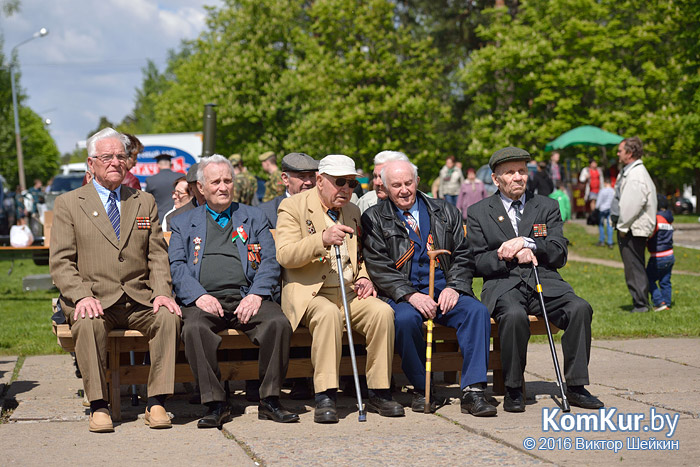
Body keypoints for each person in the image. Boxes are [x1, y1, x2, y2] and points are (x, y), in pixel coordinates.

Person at [49, 128, 181, 433]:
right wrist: (81, 296)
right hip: (94, 298)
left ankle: (157, 401)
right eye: (106, 157)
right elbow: (62, 262)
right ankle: (99, 405)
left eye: (121, 156)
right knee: (88, 323)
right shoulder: (69, 203)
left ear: (129, 162)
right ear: (91, 163)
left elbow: (157, 254)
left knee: (169, 317)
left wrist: (162, 292)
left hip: (138, 298)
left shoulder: (143, 201)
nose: (115, 162)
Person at [466, 147, 603, 413]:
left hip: (544, 279)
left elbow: (559, 251)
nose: (518, 177)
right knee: (515, 316)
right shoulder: (479, 211)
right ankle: (514, 388)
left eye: (521, 171)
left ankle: (576, 386)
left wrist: (531, 245)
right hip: (504, 284)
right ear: (496, 179)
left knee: (579, 308)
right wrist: (503, 254)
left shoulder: (547, 206)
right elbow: (474, 261)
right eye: (510, 173)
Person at [169, 154, 298, 427]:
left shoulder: (253, 217)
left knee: (278, 323)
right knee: (193, 329)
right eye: (215, 182)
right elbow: (177, 266)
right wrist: (199, 295)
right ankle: (215, 403)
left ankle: (269, 399)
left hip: (247, 295)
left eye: (228, 180)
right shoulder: (183, 222)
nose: (223, 187)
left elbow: (270, 261)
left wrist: (256, 294)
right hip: (204, 299)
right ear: (201, 188)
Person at [275, 154, 404, 423]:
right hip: (311, 291)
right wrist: (320, 239)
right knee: (328, 315)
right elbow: (285, 255)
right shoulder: (292, 207)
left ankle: (379, 391)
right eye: (340, 182)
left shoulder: (353, 211)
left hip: (349, 290)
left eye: (352, 184)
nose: (346, 189)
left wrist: (366, 277)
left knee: (382, 313)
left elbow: (363, 257)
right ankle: (325, 395)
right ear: (320, 181)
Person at [362, 160, 495, 417]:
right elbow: (379, 266)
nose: (403, 190)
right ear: (386, 188)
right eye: (396, 185)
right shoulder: (375, 218)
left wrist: (455, 287)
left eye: (408, 183)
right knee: (403, 320)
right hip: (402, 294)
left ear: (418, 181)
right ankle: (424, 388)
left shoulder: (445, 211)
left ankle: (473, 391)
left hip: (445, 289)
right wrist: (410, 295)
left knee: (477, 312)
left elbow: (463, 256)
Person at [611, 137, 657, 313]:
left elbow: (632, 205)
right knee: (634, 265)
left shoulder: (636, 175)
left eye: (620, 151)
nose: (618, 154)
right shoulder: (631, 172)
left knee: (634, 266)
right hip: (631, 228)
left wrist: (622, 228)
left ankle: (640, 304)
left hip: (631, 229)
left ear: (629, 153)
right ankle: (641, 301)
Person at [259, 152, 318, 226]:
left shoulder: (324, 207)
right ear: (285, 179)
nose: (309, 182)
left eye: (312, 176)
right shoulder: (268, 212)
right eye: (302, 177)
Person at [646, 195, 674, 312]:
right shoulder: (668, 219)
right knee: (665, 281)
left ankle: (659, 302)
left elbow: (650, 234)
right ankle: (667, 303)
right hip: (670, 255)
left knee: (647, 279)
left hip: (658, 256)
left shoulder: (656, 219)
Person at [146, 153, 183, 222]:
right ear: (171, 165)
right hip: (179, 217)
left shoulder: (151, 180)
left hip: (159, 219)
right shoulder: (181, 177)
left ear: (158, 165)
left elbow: (147, 202)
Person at [596, 178, 615, 248]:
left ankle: (602, 240)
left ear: (605, 183)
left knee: (601, 224)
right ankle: (610, 242)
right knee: (609, 225)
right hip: (610, 209)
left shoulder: (602, 191)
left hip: (602, 209)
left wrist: (596, 207)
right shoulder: (613, 191)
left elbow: (599, 200)